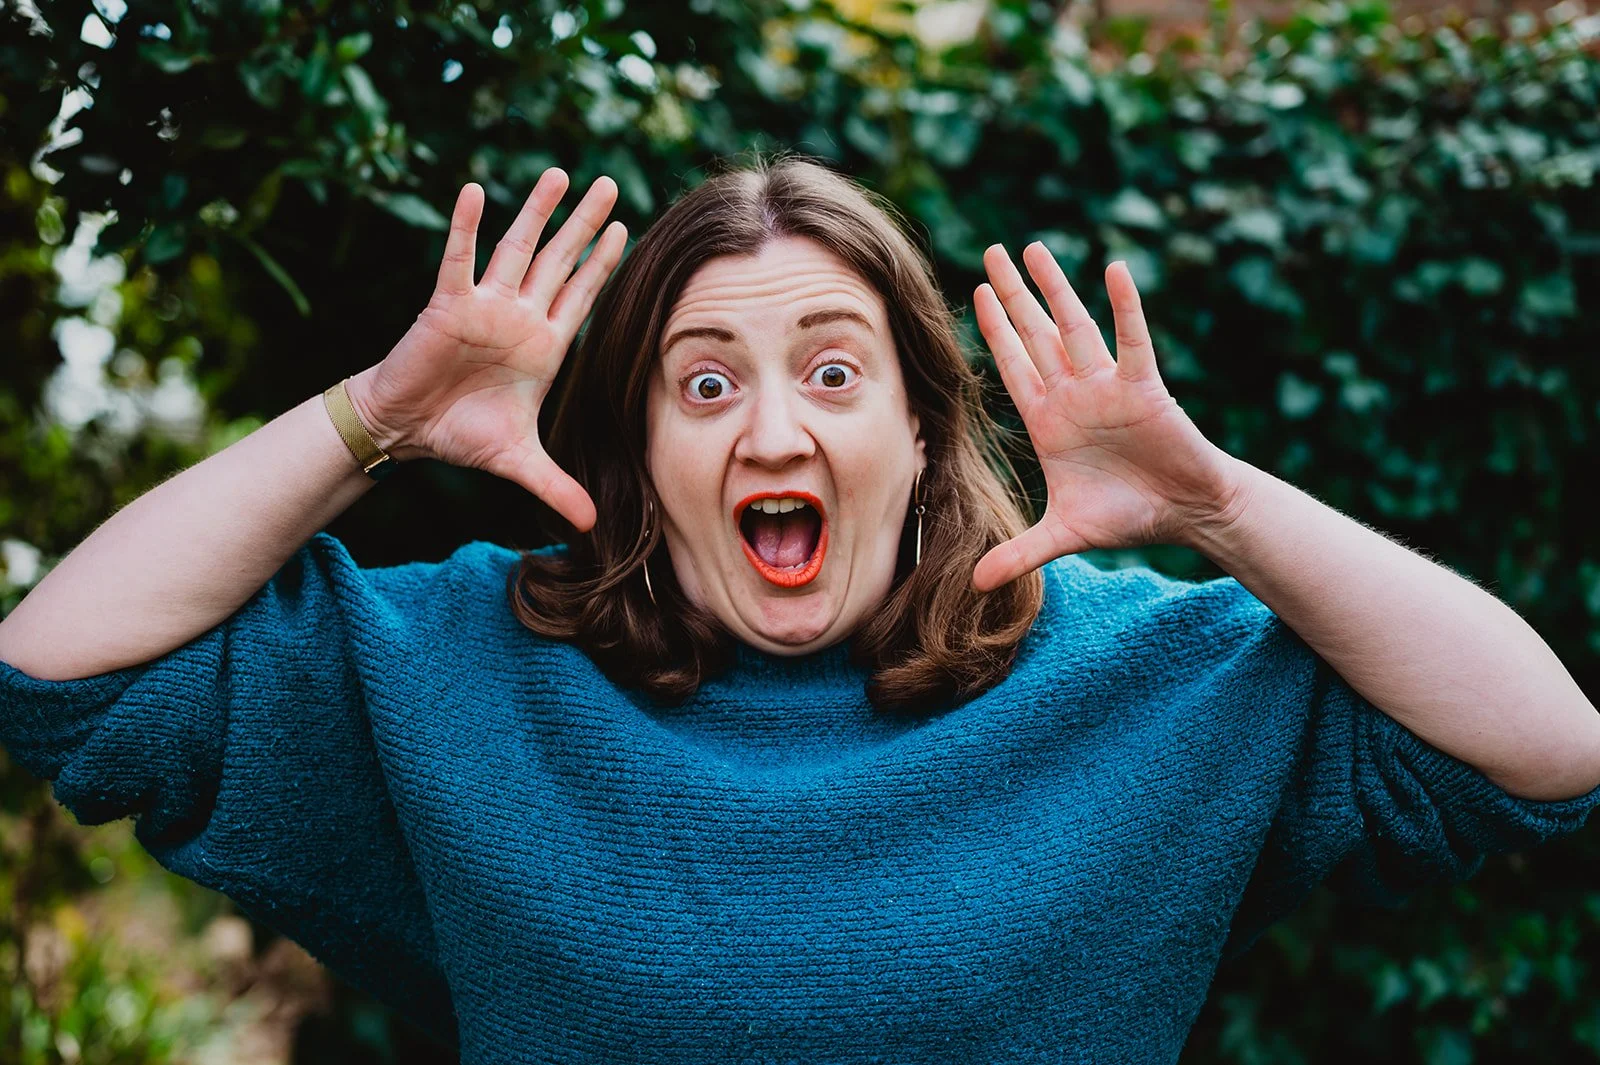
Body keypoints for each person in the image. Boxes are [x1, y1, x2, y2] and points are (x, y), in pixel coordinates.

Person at [2, 155, 1598, 1064]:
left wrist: (1217, 507)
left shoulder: (1146, 680)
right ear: (637, 451)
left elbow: (1546, 750)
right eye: (706, 385)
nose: (773, 430)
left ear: (919, 425)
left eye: (834, 371)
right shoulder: (468, 670)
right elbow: (58, 673)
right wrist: (383, 412)